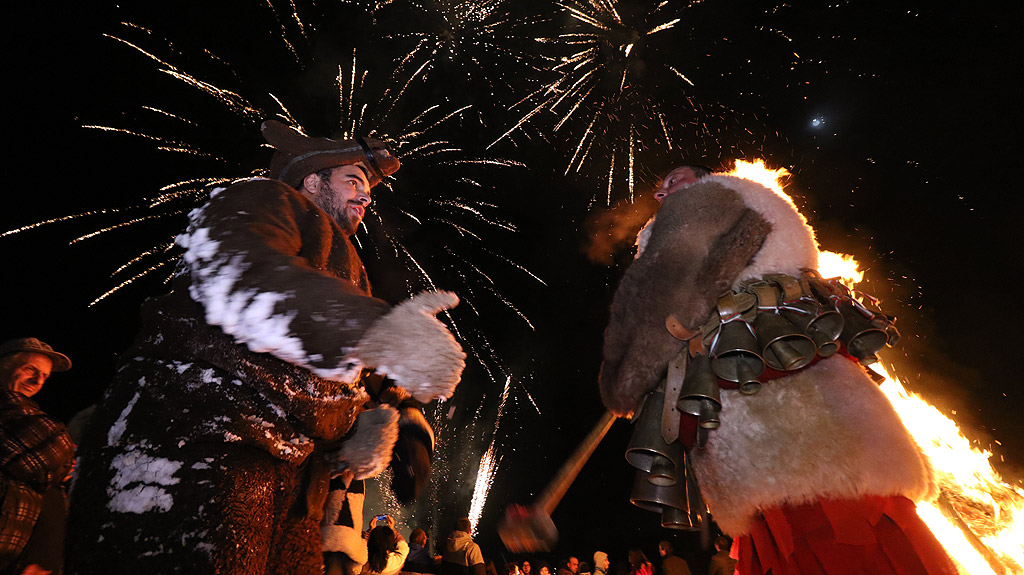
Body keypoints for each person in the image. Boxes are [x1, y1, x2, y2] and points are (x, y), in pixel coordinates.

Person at [65, 121, 467, 574]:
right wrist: (381, 330)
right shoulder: (265, 199)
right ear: (311, 180)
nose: (366, 196)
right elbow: (241, 271)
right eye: (353, 181)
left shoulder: (349, 267)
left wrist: (388, 420)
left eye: (368, 188)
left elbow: (338, 367)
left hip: (295, 487)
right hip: (199, 443)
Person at [600, 165, 958, 574]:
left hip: (785, 422)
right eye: (659, 190)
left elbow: (658, 296)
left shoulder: (719, 197)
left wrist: (626, 376)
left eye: (674, 182)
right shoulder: (741, 212)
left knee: (830, 536)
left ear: (704, 179)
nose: (663, 195)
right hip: (797, 420)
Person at [0, 338, 75, 575]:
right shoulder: (8, 408)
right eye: (30, 369)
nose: (37, 381)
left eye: (44, 376)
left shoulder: (25, 413)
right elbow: (48, 452)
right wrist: (63, 462)